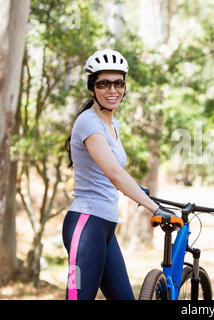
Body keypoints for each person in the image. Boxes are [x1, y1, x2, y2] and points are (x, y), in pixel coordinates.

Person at [63, 49, 176, 300]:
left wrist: (138, 191)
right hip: (85, 224)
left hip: (104, 226)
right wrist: (154, 208)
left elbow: (113, 173)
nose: (112, 90)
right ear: (92, 88)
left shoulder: (112, 123)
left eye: (118, 83)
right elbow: (114, 173)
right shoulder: (88, 122)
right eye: (104, 84)